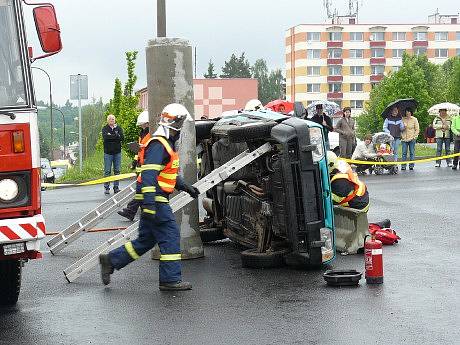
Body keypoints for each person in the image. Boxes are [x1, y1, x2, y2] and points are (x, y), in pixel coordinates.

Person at [99, 103, 200, 291]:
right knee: (170, 236)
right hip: (157, 201)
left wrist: (185, 186)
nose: (181, 128)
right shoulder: (159, 144)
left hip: (154, 200)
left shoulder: (163, 144)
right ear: (174, 123)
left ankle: (111, 260)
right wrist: (150, 204)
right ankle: (170, 279)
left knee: (145, 241)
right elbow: (148, 176)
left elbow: (164, 173)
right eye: (181, 123)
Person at [117, 111, 150, 221]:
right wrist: (134, 162)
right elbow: (139, 151)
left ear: (147, 123)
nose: (140, 126)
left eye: (142, 124)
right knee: (142, 191)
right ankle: (134, 211)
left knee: (141, 191)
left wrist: (143, 146)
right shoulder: (142, 134)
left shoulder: (151, 134)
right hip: (142, 164)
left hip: (148, 164)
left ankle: (130, 211)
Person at [102, 114, 124, 195]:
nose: (112, 120)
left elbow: (122, 138)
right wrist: (116, 136)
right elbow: (105, 138)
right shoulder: (105, 128)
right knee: (107, 171)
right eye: (110, 119)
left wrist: (111, 136)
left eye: (113, 119)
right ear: (108, 120)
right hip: (108, 153)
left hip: (117, 153)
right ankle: (107, 188)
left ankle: (116, 187)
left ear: (115, 120)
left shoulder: (118, 128)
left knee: (117, 171)